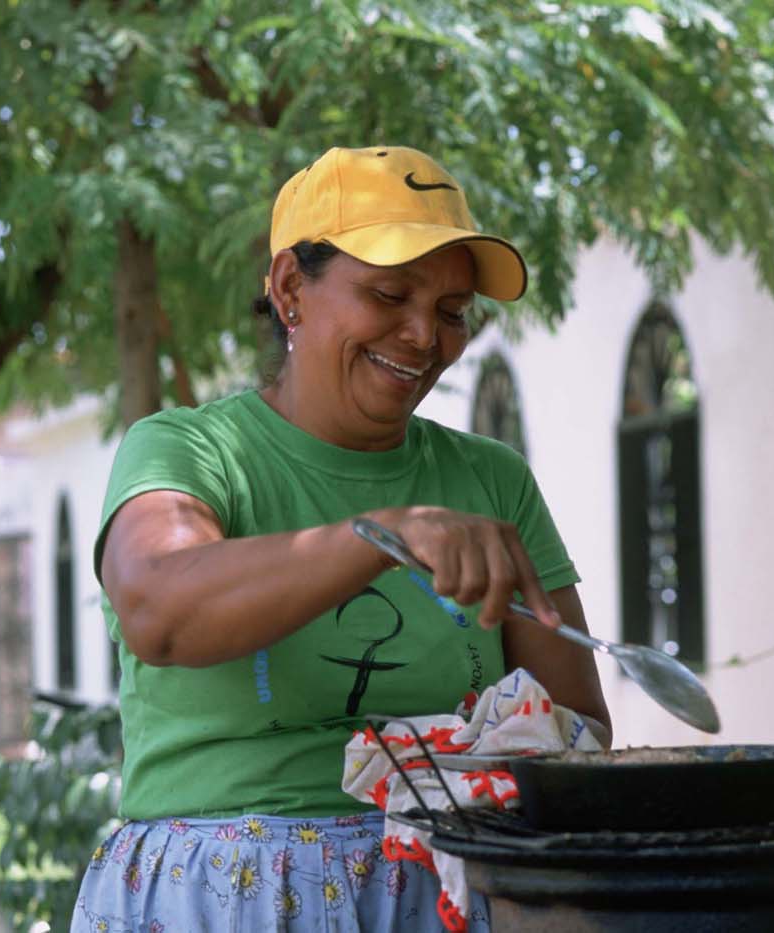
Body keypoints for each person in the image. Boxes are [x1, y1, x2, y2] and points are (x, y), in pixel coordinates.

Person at [72, 145, 610, 933]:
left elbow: (577, 731)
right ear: (291, 287)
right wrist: (382, 535)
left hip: (447, 894)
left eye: (454, 311)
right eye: (390, 293)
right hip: (221, 902)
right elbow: (159, 606)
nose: (426, 335)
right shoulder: (189, 453)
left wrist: (488, 760)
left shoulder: (491, 481)